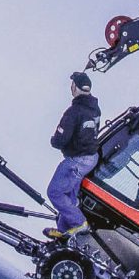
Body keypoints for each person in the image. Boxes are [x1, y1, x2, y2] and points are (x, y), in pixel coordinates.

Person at [47, 70, 102, 237]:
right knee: (69, 195)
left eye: (72, 85)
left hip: (77, 160)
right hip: (90, 158)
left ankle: (79, 223)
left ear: (75, 87)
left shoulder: (74, 111)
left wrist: (54, 140)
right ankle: (65, 231)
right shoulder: (94, 109)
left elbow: (60, 140)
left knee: (55, 192)